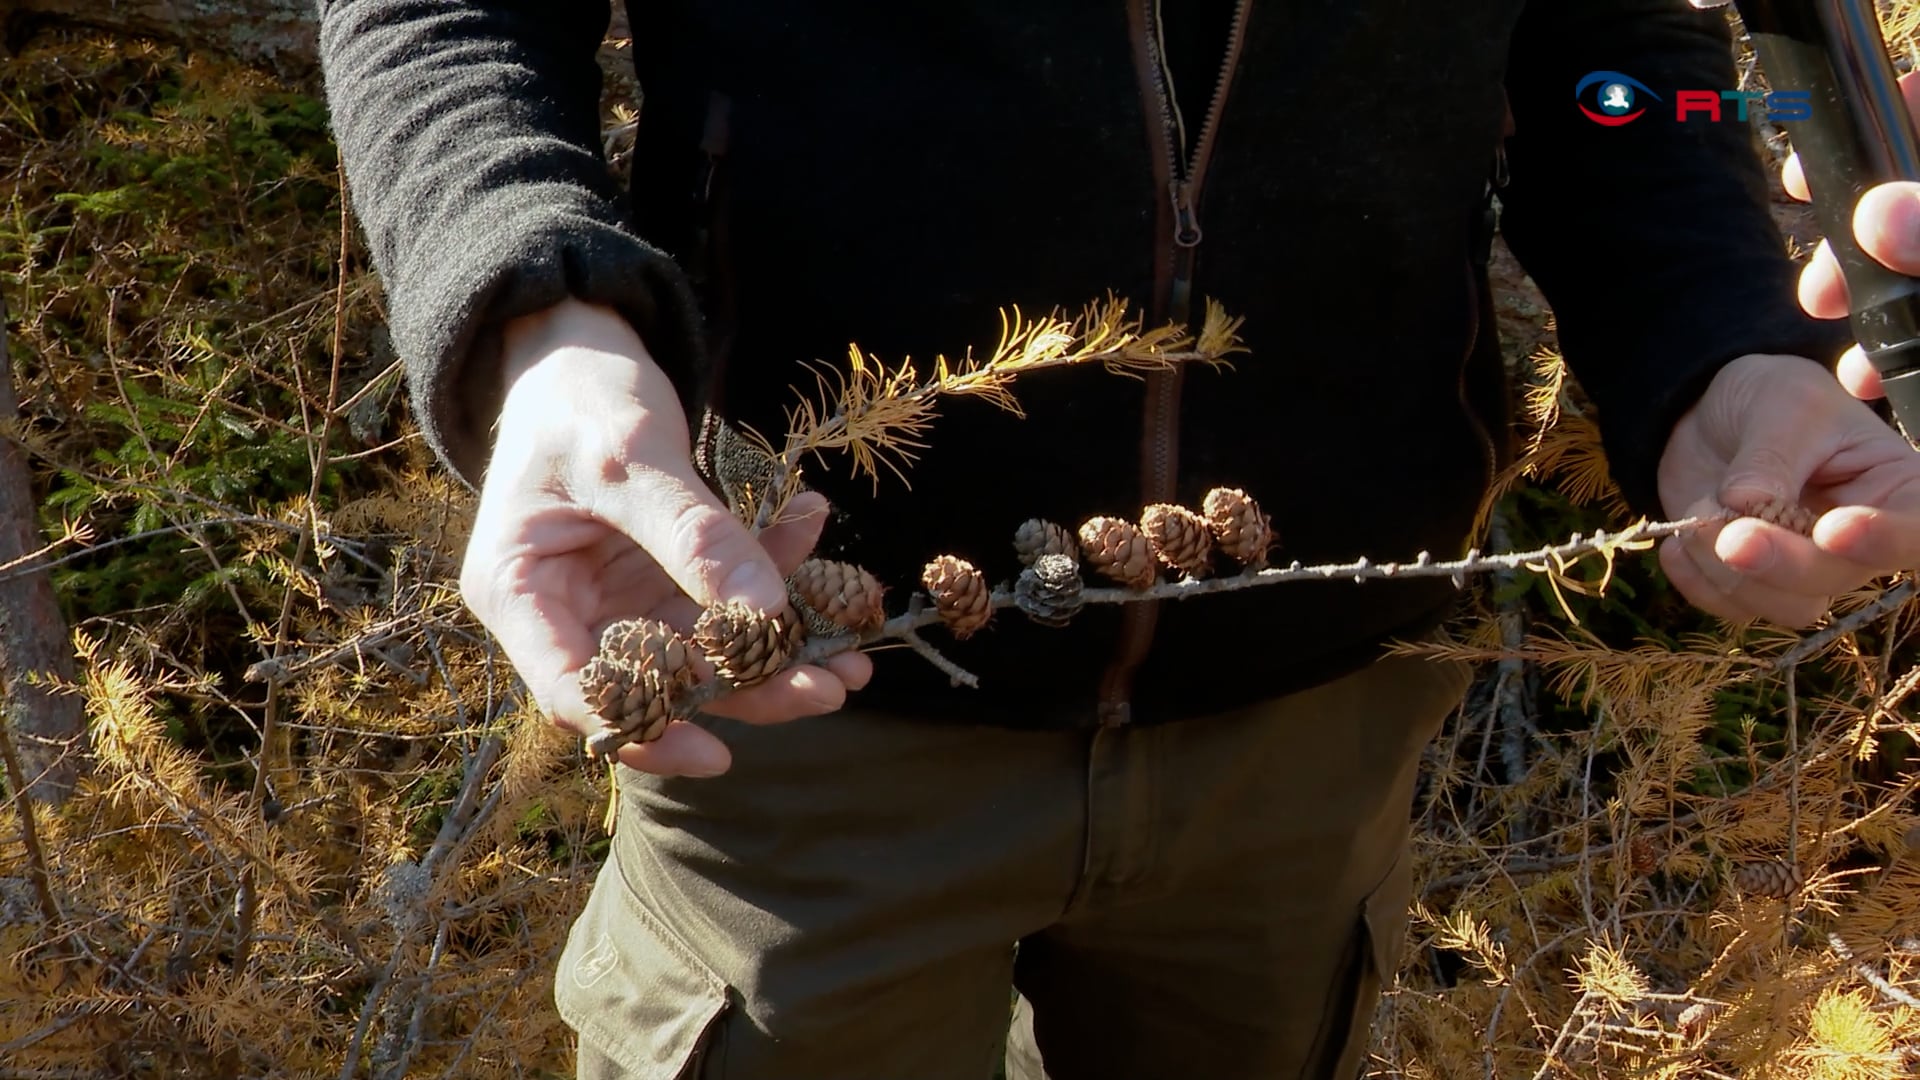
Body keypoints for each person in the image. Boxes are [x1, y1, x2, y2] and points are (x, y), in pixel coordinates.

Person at [316, 1, 1920, 1076]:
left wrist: (1716, 346)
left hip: (1314, 733)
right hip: (802, 685)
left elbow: (1608, 65)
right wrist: (543, 319)